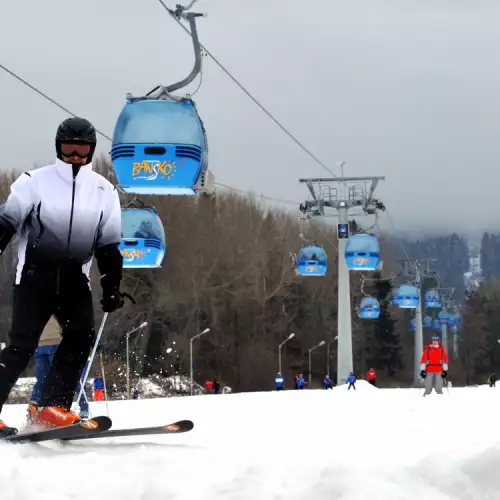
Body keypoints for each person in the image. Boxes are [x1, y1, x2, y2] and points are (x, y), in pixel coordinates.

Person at [0, 117, 124, 435]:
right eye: (69, 149)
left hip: (74, 279)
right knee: (21, 346)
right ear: (59, 147)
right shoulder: (34, 182)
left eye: (82, 150)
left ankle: (53, 408)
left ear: (91, 150)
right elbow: (6, 224)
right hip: (34, 276)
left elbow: (108, 246)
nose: (75, 157)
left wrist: (112, 287)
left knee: (80, 337)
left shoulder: (103, 191)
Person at [27, 316, 90, 422]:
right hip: (40, 345)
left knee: (64, 377)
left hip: (57, 343)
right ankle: (36, 412)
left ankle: (81, 408)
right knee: (43, 380)